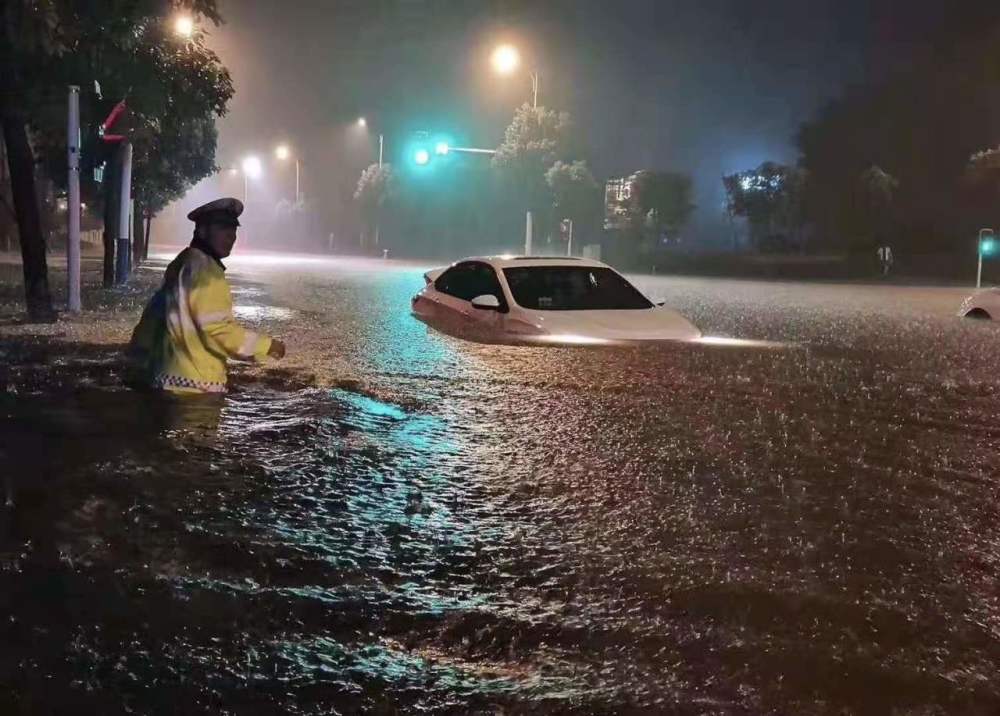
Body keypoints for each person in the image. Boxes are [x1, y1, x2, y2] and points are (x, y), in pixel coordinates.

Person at [128, 197, 286, 394]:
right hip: (195, 387)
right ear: (202, 230)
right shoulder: (207, 273)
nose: (231, 236)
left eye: (233, 229)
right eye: (223, 228)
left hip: (162, 378)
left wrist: (138, 363)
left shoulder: (183, 262)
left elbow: (152, 319)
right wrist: (267, 346)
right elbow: (216, 329)